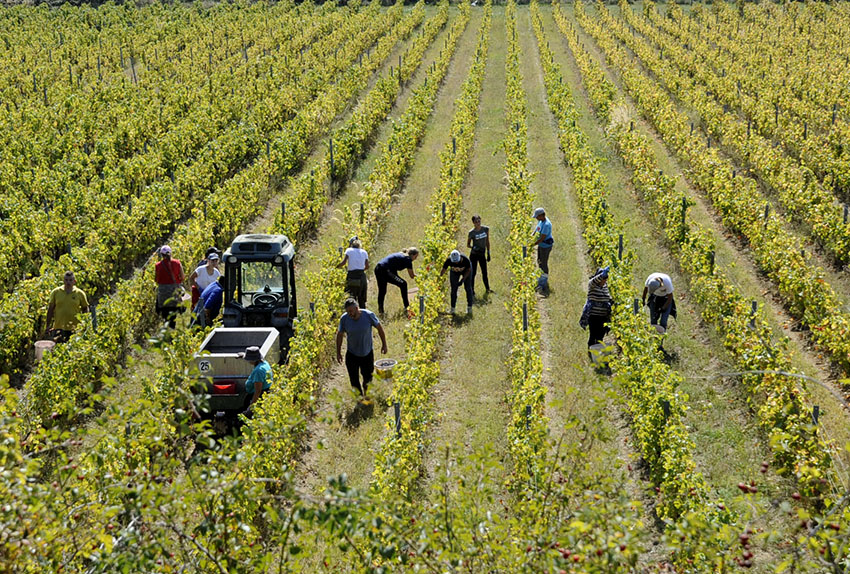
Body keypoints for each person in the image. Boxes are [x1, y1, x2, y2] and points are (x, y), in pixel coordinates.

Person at [336, 298, 388, 398]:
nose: (349, 314)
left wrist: (384, 344)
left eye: (351, 311)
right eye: (347, 312)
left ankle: (367, 396)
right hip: (352, 354)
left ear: (357, 308)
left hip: (367, 353)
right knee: (354, 380)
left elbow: (379, 328)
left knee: (368, 379)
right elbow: (339, 335)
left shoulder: (368, 315)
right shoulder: (344, 319)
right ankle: (359, 401)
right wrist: (338, 352)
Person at [45, 271, 89, 343]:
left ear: (74, 281)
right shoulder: (56, 292)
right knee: (58, 350)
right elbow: (50, 309)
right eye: (66, 280)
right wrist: (47, 325)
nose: (68, 282)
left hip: (75, 328)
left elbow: (85, 308)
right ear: (63, 281)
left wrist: (84, 324)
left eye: (70, 280)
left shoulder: (80, 293)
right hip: (58, 327)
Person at [374, 247, 418, 317]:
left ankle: (381, 311)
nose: (415, 259)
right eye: (416, 257)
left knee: (382, 291)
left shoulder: (402, 255)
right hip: (385, 270)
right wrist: (420, 277)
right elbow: (412, 276)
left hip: (378, 268)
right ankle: (407, 308)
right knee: (403, 284)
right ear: (413, 255)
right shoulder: (408, 259)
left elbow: (393, 270)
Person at [580, 266, 613, 353]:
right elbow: (596, 280)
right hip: (593, 316)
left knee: (600, 336)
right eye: (603, 279)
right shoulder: (592, 284)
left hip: (603, 317)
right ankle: (591, 353)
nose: (604, 281)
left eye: (605, 280)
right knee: (593, 335)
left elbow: (608, 298)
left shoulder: (605, 287)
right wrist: (603, 275)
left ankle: (598, 356)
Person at [155, 245, 185, 327]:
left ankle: (166, 331)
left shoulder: (157, 265)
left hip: (163, 293)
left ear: (161, 255)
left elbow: (156, 280)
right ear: (171, 253)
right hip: (174, 292)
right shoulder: (177, 263)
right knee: (173, 315)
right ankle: (171, 332)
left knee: (165, 315)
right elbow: (182, 277)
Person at [337, 237, 369, 308]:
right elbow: (367, 266)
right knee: (362, 300)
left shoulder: (349, 250)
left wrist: (336, 266)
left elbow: (344, 262)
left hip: (352, 276)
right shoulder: (364, 252)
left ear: (351, 244)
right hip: (362, 277)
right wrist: (360, 269)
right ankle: (363, 316)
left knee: (351, 298)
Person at [441, 249, 473, 314]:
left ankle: (469, 308)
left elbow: (469, 270)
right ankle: (452, 309)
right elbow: (444, 269)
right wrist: (440, 278)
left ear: (460, 257)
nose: (456, 263)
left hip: (466, 271)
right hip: (454, 272)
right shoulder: (449, 260)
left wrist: (463, 280)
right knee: (453, 290)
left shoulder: (465, 260)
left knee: (468, 288)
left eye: (457, 261)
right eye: (454, 262)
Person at [241, 346, 272, 410]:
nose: (247, 361)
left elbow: (258, 391)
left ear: (253, 360)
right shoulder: (265, 363)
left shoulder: (258, 371)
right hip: (266, 393)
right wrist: (243, 355)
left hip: (259, 396)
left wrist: (251, 407)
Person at [467, 215, 491, 295]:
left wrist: (488, 252)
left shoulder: (485, 229)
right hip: (474, 255)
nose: (478, 223)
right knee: (473, 273)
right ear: (473, 223)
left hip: (482, 254)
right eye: (476, 222)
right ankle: (472, 291)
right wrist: (473, 247)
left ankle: (488, 289)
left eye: (479, 221)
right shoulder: (471, 232)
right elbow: (468, 244)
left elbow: (487, 241)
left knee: (485, 272)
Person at [532, 207, 553, 275]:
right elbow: (537, 229)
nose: (536, 218)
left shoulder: (546, 225)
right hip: (541, 245)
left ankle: (544, 278)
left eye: (537, 216)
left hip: (545, 247)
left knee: (543, 263)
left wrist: (532, 244)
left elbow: (542, 238)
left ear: (541, 215)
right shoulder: (541, 221)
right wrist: (532, 235)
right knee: (539, 260)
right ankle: (540, 275)